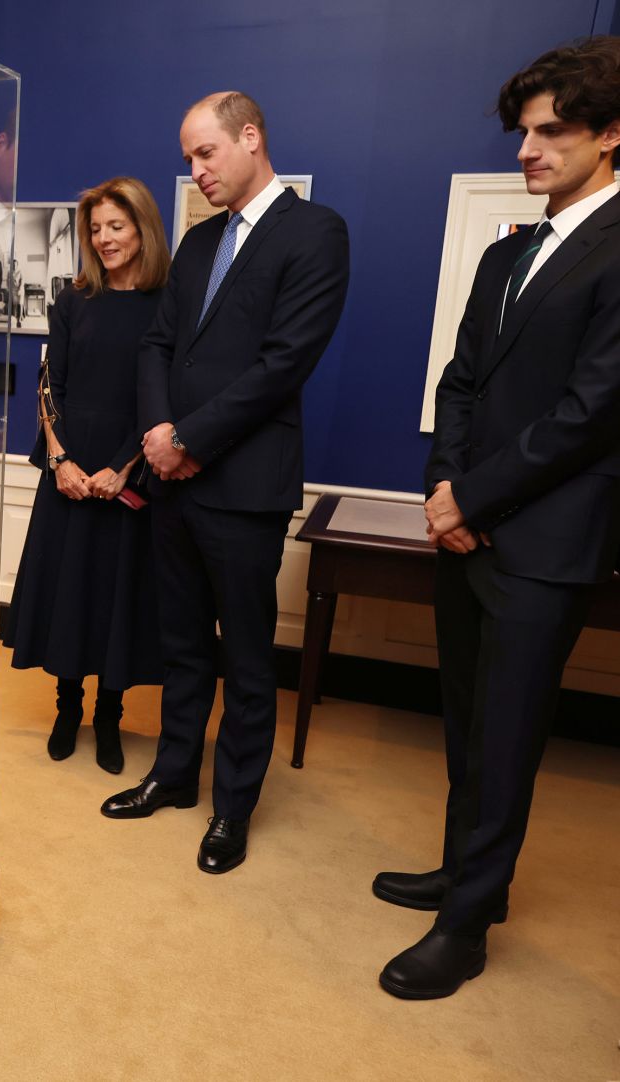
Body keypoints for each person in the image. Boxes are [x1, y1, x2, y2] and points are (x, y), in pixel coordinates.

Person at [375, 37, 620, 1000]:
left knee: (511, 737)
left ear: (610, 136)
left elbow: (592, 413)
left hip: (547, 542)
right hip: (468, 528)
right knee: (469, 725)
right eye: (524, 132)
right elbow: (462, 380)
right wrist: (447, 492)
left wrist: (473, 498)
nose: (529, 150)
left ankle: (468, 926)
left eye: (552, 132)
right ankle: (463, 874)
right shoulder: (508, 252)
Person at [100, 92, 350, 877]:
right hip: (172, 483)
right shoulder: (199, 242)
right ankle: (175, 777)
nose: (197, 171)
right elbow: (157, 347)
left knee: (244, 656)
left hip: (244, 487)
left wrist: (190, 439)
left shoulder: (317, 233)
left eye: (206, 153)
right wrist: (158, 436)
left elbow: (284, 363)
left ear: (251, 138)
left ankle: (232, 807)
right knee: (180, 644)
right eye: (188, 160)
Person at [2, 178, 171, 771]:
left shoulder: (168, 302)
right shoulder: (74, 299)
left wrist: (124, 467)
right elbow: (53, 384)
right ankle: (67, 709)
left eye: (115, 227)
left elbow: (166, 396)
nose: (103, 239)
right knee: (69, 591)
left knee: (116, 595)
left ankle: (109, 717)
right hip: (70, 467)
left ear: (142, 227)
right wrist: (60, 461)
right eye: (95, 229)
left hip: (132, 469)